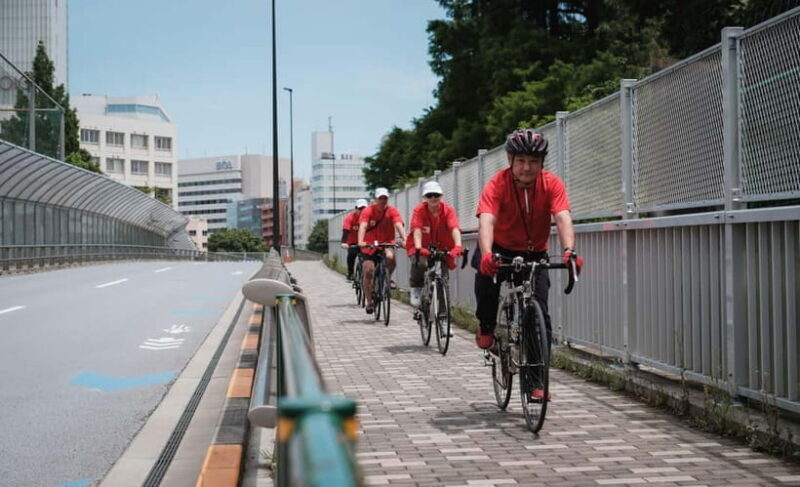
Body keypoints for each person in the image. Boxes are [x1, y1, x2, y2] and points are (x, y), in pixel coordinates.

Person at [473, 128, 584, 399]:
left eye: (534, 161)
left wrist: (569, 250)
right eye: (521, 160)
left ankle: (535, 382)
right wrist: (487, 253)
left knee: (539, 316)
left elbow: (563, 217)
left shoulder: (552, 184)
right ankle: (487, 325)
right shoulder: (497, 184)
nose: (527, 167)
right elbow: (486, 220)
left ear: (542, 163)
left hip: (535, 253)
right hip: (498, 248)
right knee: (485, 284)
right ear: (511, 160)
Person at [405, 181, 463, 310]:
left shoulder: (448, 210)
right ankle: (416, 289)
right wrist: (419, 248)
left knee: (443, 279)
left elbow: (454, 228)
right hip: (421, 247)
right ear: (424, 198)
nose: (433, 198)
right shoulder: (419, 210)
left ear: (441, 196)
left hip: (442, 247)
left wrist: (458, 245)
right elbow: (417, 229)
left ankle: (443, 319)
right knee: (420, 263)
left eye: (436, 195)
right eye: (429, 195)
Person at [357, 187, 407, 314]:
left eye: (385, 198)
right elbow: (362, 226)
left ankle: (386, 278)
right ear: (375, 199)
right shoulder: (368, 211)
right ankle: (369, 302)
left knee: (390, 257)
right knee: (368, 271)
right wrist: (361, 241)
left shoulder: (392, 211)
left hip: (386, 243)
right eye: (380, 198)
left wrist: (405, 239)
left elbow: (398, 224)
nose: (383, 200)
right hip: (369, 245)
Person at [340, 198, 368, 281]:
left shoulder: (369, 217)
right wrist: (344, 242)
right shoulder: (350, 218)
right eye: (360, 209)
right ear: (356, 209)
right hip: (353, 242)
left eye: (364, 209)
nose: (362, 211)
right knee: (351, 255)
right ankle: (350, 273)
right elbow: (345, 231)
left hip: (365, 242)